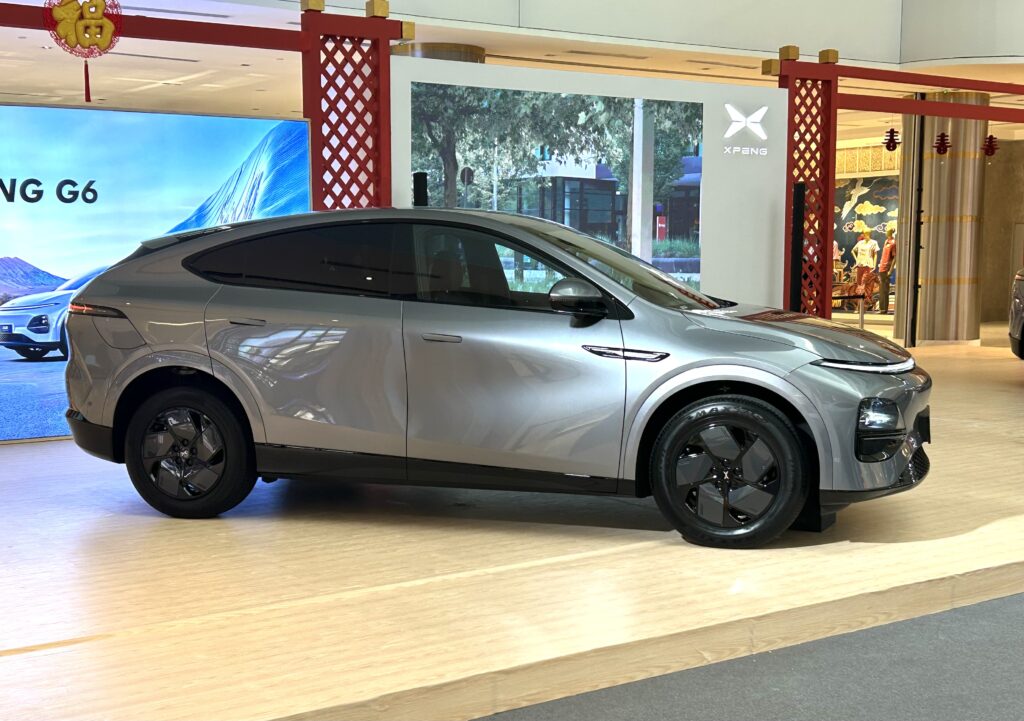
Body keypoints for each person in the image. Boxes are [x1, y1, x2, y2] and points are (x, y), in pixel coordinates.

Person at [878, 227, 897, 314]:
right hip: (882, 267)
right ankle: (881, 308)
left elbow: (895, 257)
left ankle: (884, 309)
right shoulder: (886, 241)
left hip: (887, 268)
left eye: (887, 231)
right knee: (881, 289)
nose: (886, 233)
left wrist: (891, 270)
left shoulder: (893, 243)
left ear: (890, 232)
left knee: (885, 289)